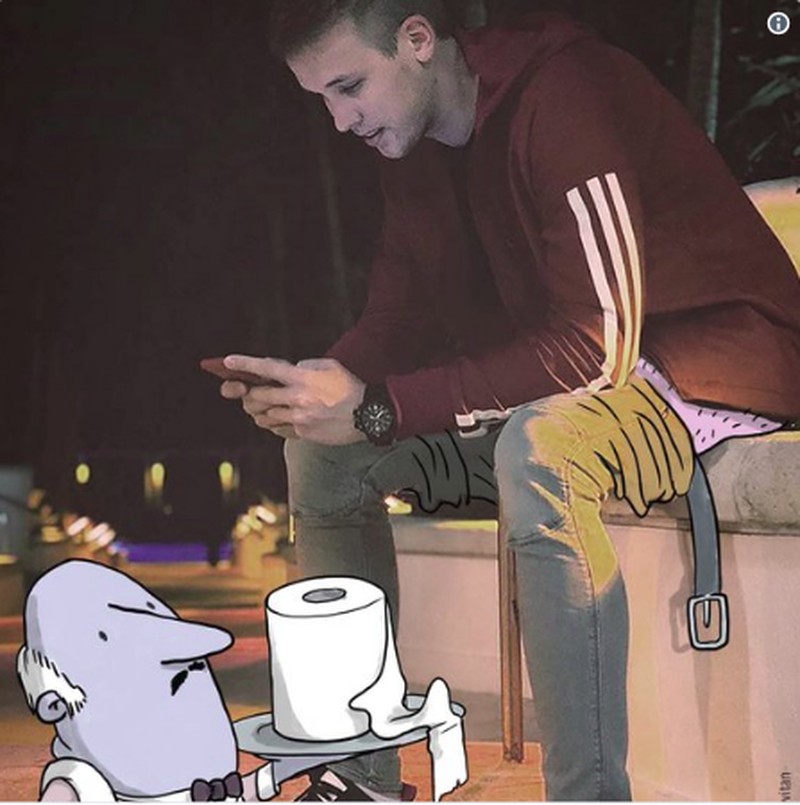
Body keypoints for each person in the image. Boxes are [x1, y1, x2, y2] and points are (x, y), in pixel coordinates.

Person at [217, 1, 800, 800]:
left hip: (707, 364)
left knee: (541, 451)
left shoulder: (565, 93)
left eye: (349, 87)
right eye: (321, 98)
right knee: (323, 456)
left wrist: (379, 407)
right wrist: (318, 391)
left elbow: (597, 344)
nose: (341, 120)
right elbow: (399, 313)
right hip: (588, 379)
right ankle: (362, 776)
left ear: (417, 40)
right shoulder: (412, 148)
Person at [16, 559, 346, 801]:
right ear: (55, 702)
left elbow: (235, 792)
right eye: (173, 686)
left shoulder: (198, 785)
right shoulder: (84, 787)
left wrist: (288, 767)